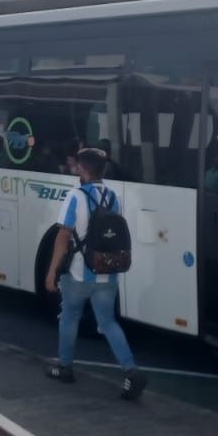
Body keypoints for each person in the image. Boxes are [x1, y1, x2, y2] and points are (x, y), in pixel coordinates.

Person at [43, 148, 146, 399]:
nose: (75, 169)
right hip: (107, 273)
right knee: (108, 322)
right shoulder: (112, 197)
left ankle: (65, 367)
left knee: (69, 317)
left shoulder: (75, 196)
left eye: (77, 166)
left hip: (79, 273)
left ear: (83, 169)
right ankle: (131, 371)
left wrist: (51, 271)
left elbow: (63, 236)